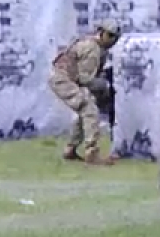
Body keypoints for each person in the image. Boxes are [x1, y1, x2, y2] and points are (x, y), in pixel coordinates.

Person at [49, 20, 122, 164]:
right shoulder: (93, 49)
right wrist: (104, 86)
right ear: (101, 33)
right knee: (89, 109)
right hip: (63, 79)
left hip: (64, 77)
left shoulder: (95, 46)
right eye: (110, 35)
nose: (112, 40)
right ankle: (91, 153)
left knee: (85, 109)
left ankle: (70, 149)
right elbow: (85, 78)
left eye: (115, 37)